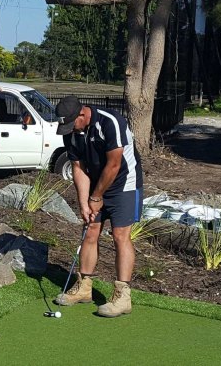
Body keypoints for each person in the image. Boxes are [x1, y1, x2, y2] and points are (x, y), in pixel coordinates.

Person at [54, 95, 143, 318]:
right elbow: (78, 167)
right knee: (90, 230)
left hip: (124, 183)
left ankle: (123, 296)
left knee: (120, 235)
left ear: (82, 115)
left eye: (70, 123)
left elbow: (114, 165)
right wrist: (84, 202)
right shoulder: (72, 133)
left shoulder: (110, 122)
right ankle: (84, 287)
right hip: (95, 184)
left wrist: (96, 197)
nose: (68, 129)